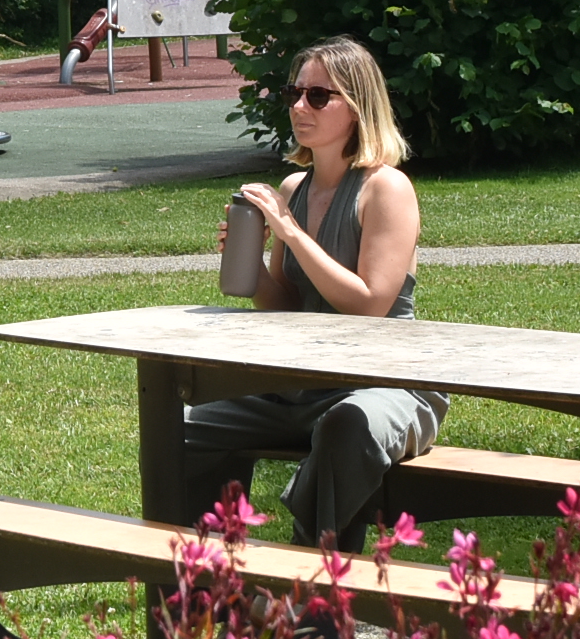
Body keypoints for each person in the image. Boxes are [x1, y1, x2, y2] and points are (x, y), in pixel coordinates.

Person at [182, 35, 448, 550]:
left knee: (346, 426)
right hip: (304, 384)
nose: (300, 106)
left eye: (319, 96)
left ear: (357, 106)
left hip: (387, 385)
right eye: (294, 94)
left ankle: (317, 579)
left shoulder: (385, 188)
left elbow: (371, 302)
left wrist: (291, 233)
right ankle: (201, 573)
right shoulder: (293, 190)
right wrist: (253, 261)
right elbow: (285, 301)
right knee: (191, 425)